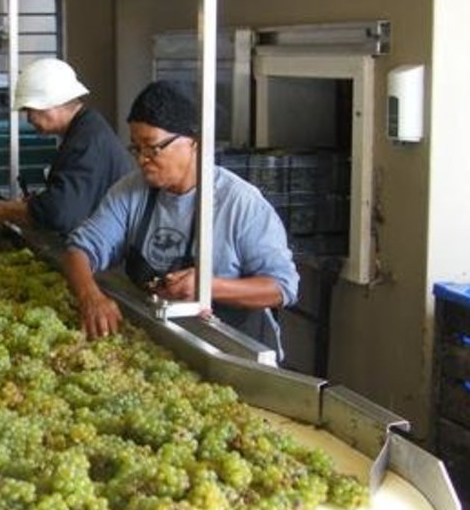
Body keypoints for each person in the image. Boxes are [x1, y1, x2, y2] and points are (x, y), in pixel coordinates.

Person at [60, 80, 299, 358]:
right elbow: (80, 249)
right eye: (136, 148)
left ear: (195, 142)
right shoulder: (131, 191)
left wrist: (208, 286)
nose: (142, 159)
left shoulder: (241, 204)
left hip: (235, 351)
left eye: (152, 148)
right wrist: (90, 296)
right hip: (168, 346)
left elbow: (282, 287)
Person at [0, 58, 134, 234]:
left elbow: (60, 213)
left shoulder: (86, 142)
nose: (29, 119)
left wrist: (7, 211)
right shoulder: (86, 131)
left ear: (52, 104)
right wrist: (33, 203)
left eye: (31, 110)